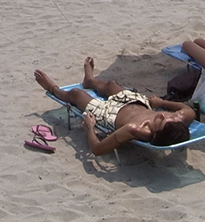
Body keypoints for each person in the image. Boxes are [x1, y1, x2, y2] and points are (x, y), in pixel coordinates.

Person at [34, 59, 195, 153]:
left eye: (161, 120)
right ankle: (90, 81)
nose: (162, 114)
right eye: (167, 116)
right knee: (111, 84)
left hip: (109, 114)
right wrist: (161, 103)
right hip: (136, 102)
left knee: (76, 94)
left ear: (155, 134)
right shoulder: (177, 119)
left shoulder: (135, 128)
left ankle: (52, 88)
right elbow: (188, 110)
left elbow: (97, 149)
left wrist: (90, 128)